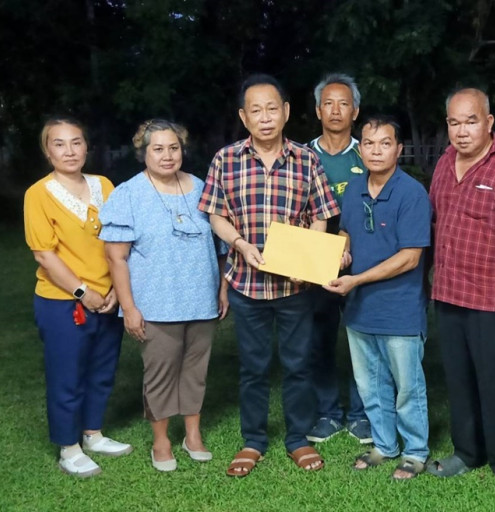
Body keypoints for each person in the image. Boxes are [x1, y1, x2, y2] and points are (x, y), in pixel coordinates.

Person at [199, 73, 340, 476]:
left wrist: (305, 259)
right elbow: (215, 214)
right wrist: (240, 244)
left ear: (286, 112)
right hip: (246, 285)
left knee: (298, 364)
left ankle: (297, 438)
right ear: (244, 117)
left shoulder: (306, 159)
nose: (265, 118)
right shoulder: (226, 159)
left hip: (294, 287)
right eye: (256, 110)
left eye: (272, 109)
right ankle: (254, 440)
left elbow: (321, 215)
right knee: (253, 367)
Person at [100, 119, 229, 472]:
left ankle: (192, 435)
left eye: (173, 148)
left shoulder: (202, 188)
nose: (167, 155)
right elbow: (116, 257)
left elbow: (220, 247)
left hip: (200, 299)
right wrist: (129, 308)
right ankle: (161, 441)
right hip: (155, 303)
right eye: (158, 149)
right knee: (160, 373)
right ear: (144, 152)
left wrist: (222, 288)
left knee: (196, 370)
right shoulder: (128, 194)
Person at [427, 88, 495, 495]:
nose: (462, 131)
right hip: (448, 291)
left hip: (491, 295)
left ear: (489, 122)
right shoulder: (444, 162)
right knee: (459, 379)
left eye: (471, 121)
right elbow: (436, 221)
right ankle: (467, 451)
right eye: (454, 123)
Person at [24, 117, 132, 478]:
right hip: (64, 301)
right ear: (47, 151)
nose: (69, 151)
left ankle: (93, 434)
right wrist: (83, 292)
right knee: (67, 375)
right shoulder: (38, 194)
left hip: (108, 297)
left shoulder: (104, 185)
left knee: (102, 370)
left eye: (76, 142)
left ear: (87, 147)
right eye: (59, 144)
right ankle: (68, 448)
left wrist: (116, 289)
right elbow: (44, 254)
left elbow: (119, 238)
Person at [324, 115, 431, 480]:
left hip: (399, 309)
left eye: (385, 143)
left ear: (398, 149)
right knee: (370, 385)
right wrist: (343, 250)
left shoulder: (412, 193)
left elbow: (410, 257)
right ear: (361, 149)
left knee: (407, 387)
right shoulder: (355, 188)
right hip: (359, 309)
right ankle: (385, 445)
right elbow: (345, 229)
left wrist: (356, 279)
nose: (376, 151)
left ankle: (415, 451)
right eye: (368, 143)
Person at [306, 73, 371, 444]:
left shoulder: (367, 153)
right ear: (318, 110)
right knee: (320, 338)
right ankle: (327, 412)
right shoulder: (302, 156)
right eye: (328, 103)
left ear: (355, 111)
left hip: (361, 262)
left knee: (362, 338)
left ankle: (362, 413)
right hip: (315, 262)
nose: (335, 110)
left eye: (343, 103)